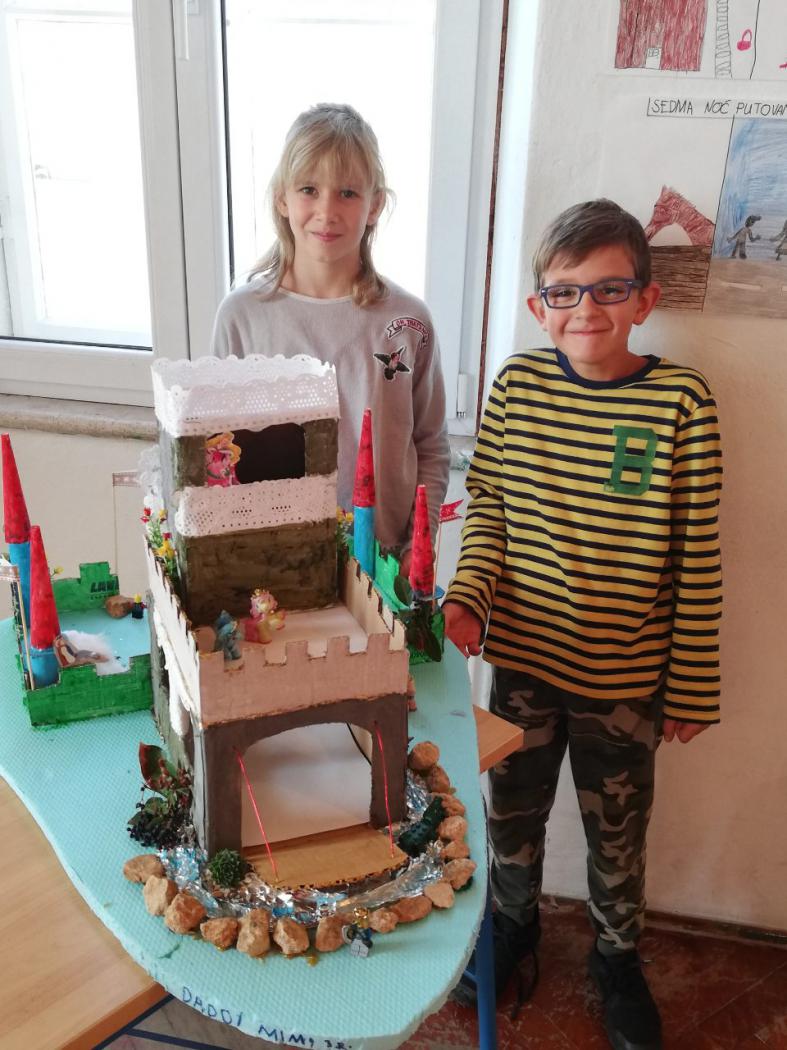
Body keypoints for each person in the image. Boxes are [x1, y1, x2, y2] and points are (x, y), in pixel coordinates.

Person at [443, 199, 722, 1050]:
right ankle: (512, 926)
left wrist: (691, 686)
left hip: (626, 682)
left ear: (644, 299)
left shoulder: (680, 402)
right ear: (539, 307)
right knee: (509, 815)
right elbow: (488, 508)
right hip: (522, 667)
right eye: (563, 292)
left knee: (617, 835)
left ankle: (616, 957)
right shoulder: (516, 387)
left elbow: (697, 553)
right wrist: (467, 598)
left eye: (609, 289)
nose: (585, 310)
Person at [211, 104, 450, 567]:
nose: (326, 211)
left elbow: (431, 445)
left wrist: (420, 543)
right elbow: (218, 453)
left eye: (347, 192)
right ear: (282, 199)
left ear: (374, 205)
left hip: (382, 565)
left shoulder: (408, 322)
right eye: (309, 190)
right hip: (272, 564)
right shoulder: (241, 317)